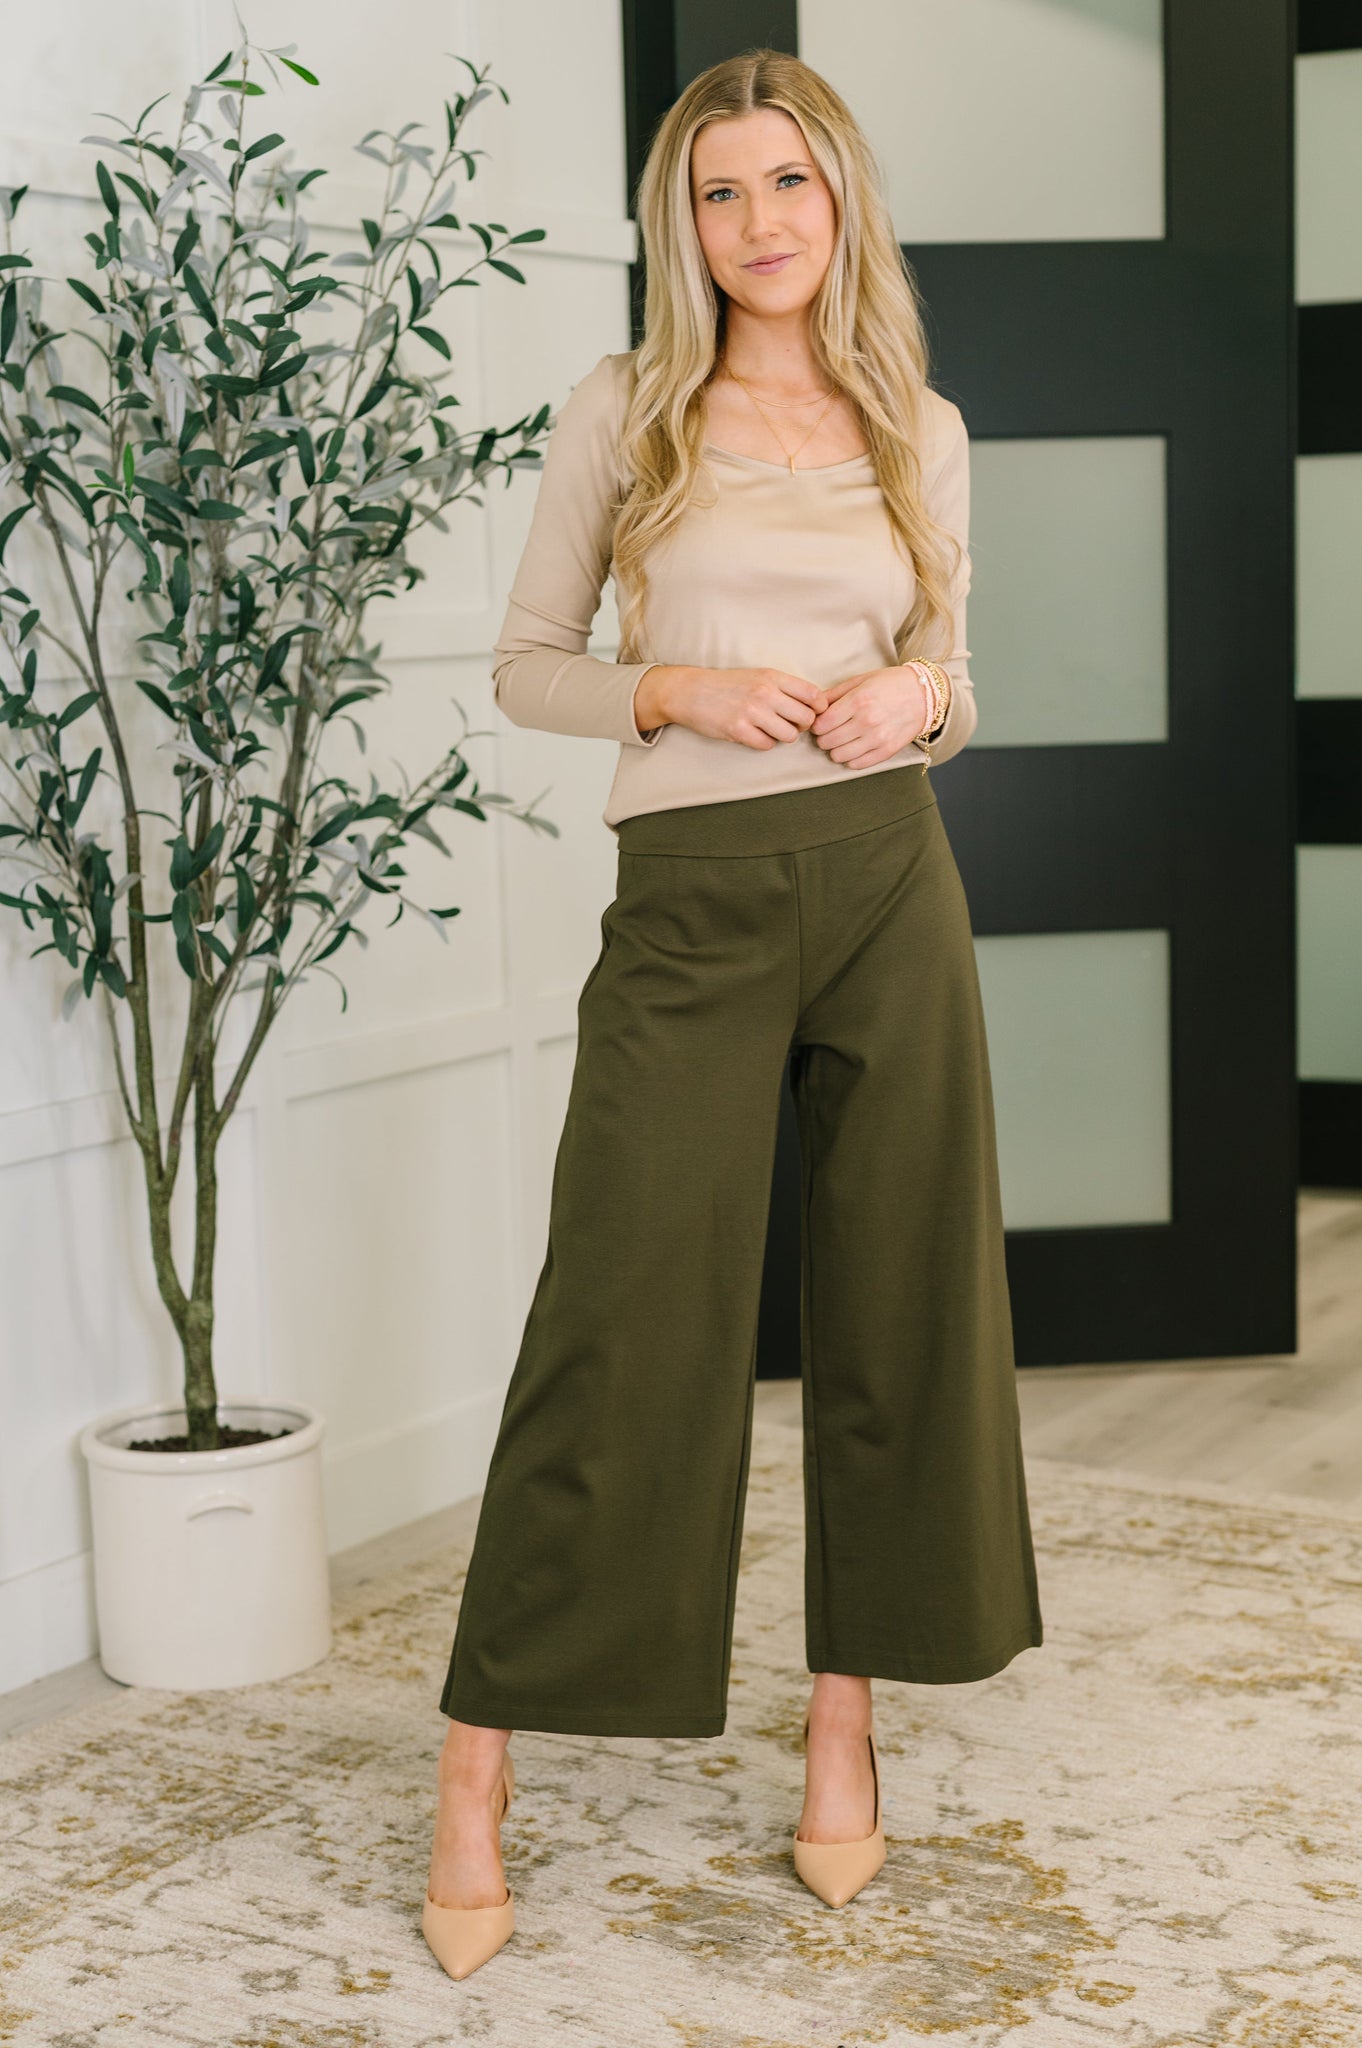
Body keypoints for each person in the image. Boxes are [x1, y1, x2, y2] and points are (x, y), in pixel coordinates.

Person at [421, 45, 1044, 1982]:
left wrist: (923, 702)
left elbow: (955, 673)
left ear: (840, 199)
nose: (758, 221)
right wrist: (672, 692)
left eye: (788, 182)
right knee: (620, 1319)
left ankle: (842, 1728)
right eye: (719, 191)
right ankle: (474, 1767)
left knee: (899, 1311)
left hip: (889, 886)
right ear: (678, 223)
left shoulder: (917, 423)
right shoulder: (625, 408)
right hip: (689, 904)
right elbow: (524, 666)